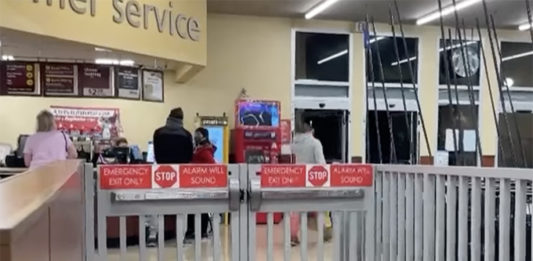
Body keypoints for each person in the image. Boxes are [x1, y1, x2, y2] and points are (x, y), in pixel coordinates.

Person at [151, 108, 194, 245]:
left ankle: (158, 235)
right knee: (182, 207)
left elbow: (156, 154)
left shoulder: (158, 133)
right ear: (181, 119)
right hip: (181, 174)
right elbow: (189, 156)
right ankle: (181, 237)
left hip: (162, 173)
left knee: (161, 206)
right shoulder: (186, 135)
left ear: (169, 116)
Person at [290, 117, 332, 246]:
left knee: (294, 210)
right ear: (311, 130)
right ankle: (325, 232)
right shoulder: (315, 143)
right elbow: (321, 163)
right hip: (312, 180)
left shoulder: (292, 144)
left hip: (296, 180)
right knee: (320, 206)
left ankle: (293, 236)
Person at [190, 127, 217, 238]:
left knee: (201, 207)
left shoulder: (204, 151)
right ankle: (197, 230)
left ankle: (201, 231)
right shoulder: (199, 148)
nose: (195, 136)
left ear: (203, 136)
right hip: (196, 181)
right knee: (197, 207)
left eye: (197, 134)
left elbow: (212, 165)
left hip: (201, 182)